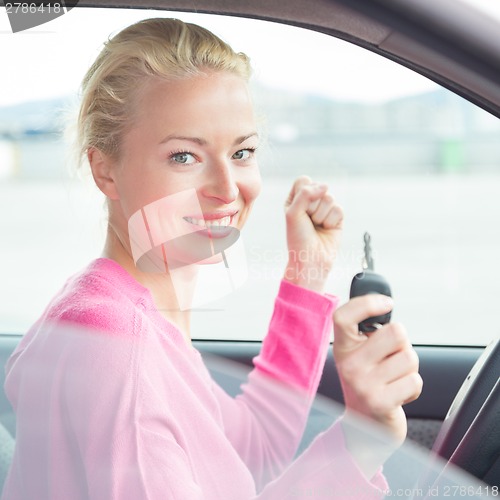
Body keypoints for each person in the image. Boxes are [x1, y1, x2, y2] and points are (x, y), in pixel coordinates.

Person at [1, 18, 422, 499]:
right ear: (106, 171)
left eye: (242, 152)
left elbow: (251, 453)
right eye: (184, 157)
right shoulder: (117, 342)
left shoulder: (132, 314)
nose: (226, 189)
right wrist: (360, 442)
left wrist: (307, 272)